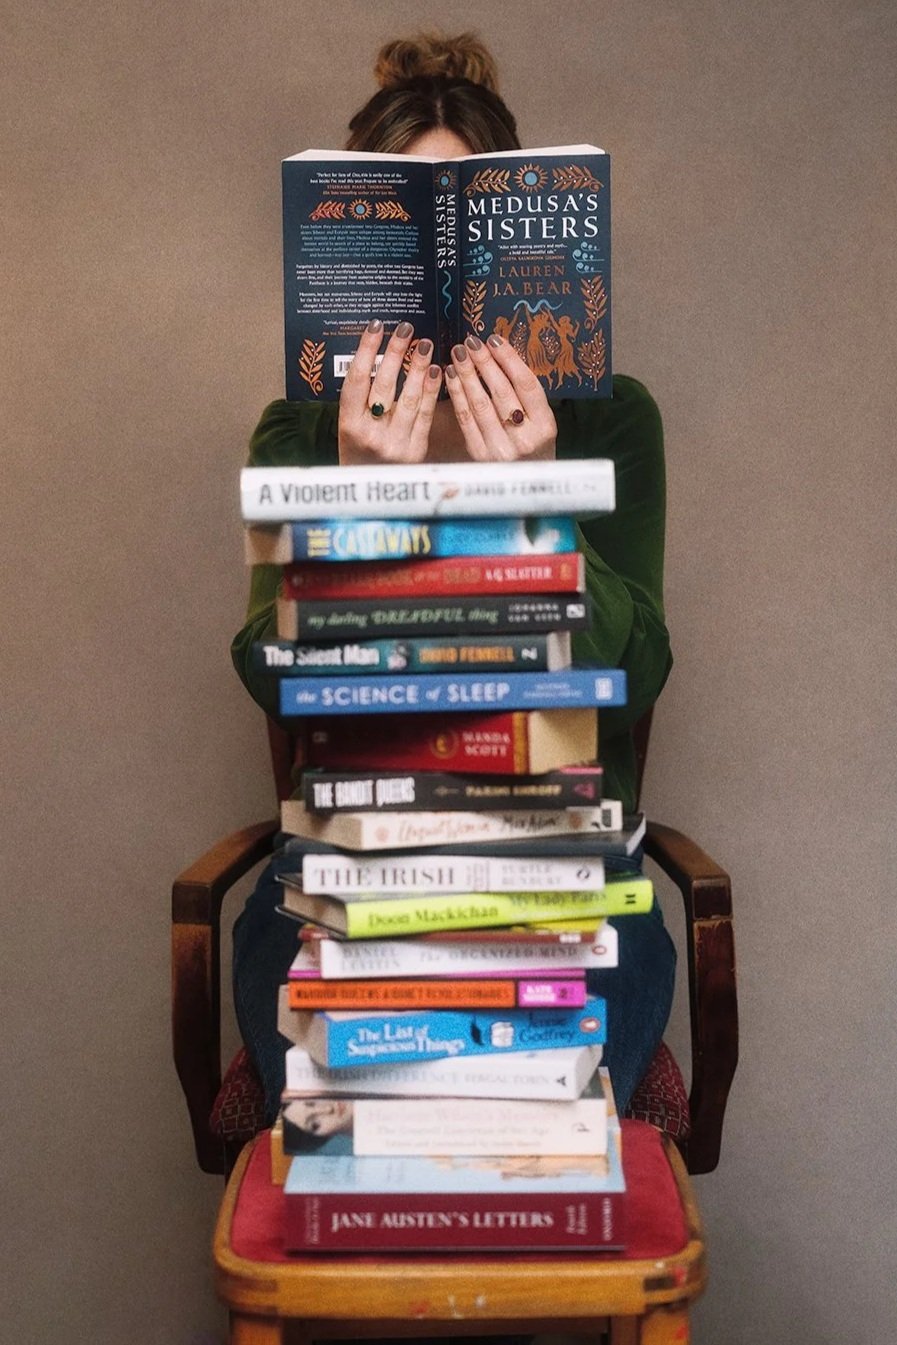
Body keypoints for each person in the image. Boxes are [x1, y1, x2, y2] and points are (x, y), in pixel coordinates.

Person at [231, 31, 675, 1131]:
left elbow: (643, 663)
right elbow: (270, 678)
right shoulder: (297, 436)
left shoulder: (611, 417)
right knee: (344, 1103)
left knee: (540, 1111)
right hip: (353, 876)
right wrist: (352, 501)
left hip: (559, 871)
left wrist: (537, 503)